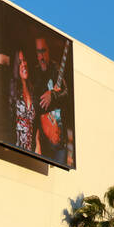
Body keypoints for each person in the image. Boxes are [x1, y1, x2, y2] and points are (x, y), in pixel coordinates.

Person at [29, 36, 71, 164]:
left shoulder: (56, 68)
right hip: (43, 141)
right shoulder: (34, 73)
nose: (41, 56)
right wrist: (36, 142)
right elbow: (32, 105)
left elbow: (66, 92)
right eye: (38, 52)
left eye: (44, 51)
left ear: (49, 51)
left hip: (60, 141)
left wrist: (52, 95)